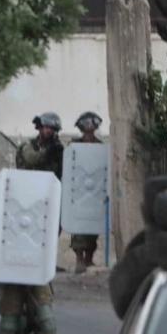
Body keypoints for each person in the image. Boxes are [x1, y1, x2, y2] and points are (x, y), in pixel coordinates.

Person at [0, 112, 65, 334]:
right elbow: (31, 160)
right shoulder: (26, 150)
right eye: (44, 127)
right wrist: (49, 153)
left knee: (44, 313)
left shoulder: (58, 154)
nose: (47, 131)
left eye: (51, 128)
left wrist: (59, 155)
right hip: (14, 250)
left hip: (39, 242)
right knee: (10, 316)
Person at [69, 111, 103, 274]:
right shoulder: (74, 145)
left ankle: (89, 258)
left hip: (95, 191)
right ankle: (79, 260)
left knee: (92, 227)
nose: (89, 129)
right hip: (78, 191)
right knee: (78, 227)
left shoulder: (100, 146)